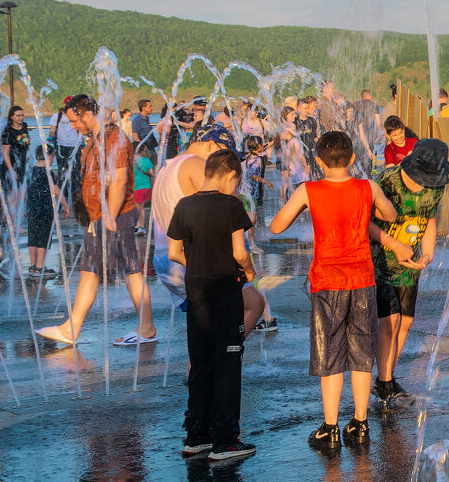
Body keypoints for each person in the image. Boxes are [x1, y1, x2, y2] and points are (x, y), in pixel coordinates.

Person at [270, 131, 398, 449]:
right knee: (360, 356)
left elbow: (276, 226)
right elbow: (390, 215)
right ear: (352, 158)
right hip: (363, 281)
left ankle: (330, 428)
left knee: (331, 357)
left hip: (327, 282)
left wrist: (305, 207)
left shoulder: (308, 190)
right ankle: (361, 422)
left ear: (318, 161)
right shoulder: (367, 187)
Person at [36, 95, 156, 347]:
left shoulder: (112, 137)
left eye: (73, 121)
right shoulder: (96, 140)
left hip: (114, 216)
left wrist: (109, 217)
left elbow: (120, 179)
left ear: (87, 114)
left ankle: (145, 328)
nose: (71, 126)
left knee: (130, 271)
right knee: (92, 271)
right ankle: (72, 328)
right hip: (102, 216)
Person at [167, 148, 258, 462]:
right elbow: (240, 251)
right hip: (224, 291)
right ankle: (225, 440)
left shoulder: (184, 205)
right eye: (237, 181)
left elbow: (174, 252)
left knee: (201, 362)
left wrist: (199, 260)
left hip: (196, 292)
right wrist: (248, 271)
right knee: (227, 363)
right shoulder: (231, 205)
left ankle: (196, 436)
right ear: (231, 175)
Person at [371, 139, 447, 405]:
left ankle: (387, 377)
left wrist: (428, 253)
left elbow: (429, 220)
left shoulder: (436, 187)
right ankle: (383, 383)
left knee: (406, 322)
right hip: (379, 260)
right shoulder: (387, 182)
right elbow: (364, 223)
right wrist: (394, 244)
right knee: (388, 322)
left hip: (410, 264)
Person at [150, 125, 238, 311]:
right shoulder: (196, 164)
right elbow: (226, 207)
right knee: (252, 304)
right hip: (188, 261)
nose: (228, 163)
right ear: (211, 145)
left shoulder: (168, 166)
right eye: (225, 154)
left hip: (165, 261)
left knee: (203, 322)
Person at [25, 145, 60, 277]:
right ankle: (40, 267)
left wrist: (24, 206)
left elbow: (24, 190)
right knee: (43, 236)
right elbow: (55, 190)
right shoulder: (48, 172)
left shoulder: (30, 171)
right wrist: (65, 205)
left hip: (32, 208)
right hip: (45, 209)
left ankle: (33, 266)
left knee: (33, 236)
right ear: (49, 157)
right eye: (53, 157)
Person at [133, 143, 155, 235]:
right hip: (146, 187)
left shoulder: (132, 161)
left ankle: (140, 226)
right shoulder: (147, 161)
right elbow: (152, 175)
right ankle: (140, 226)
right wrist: (153, 186)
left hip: (136, 187)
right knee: (141, 207)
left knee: (139, 208)